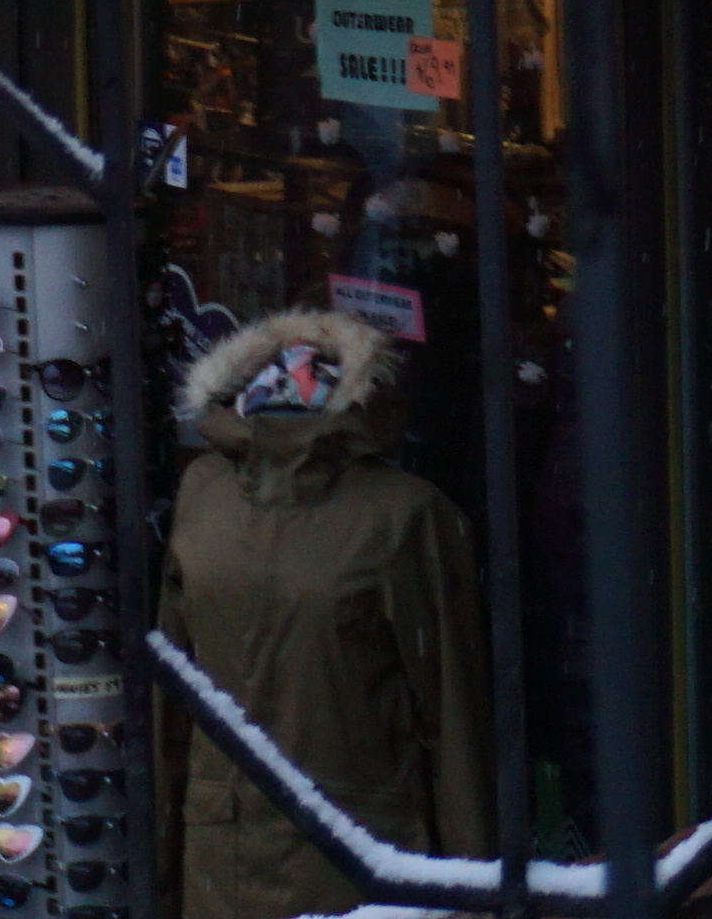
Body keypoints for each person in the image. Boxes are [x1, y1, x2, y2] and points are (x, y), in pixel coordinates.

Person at [163, 309, 489, 919]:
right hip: (247, 850)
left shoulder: (405, 516)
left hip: (346, 856)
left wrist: (472, 890)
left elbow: (453, 718)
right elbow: (172, 696)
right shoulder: (203, 494)